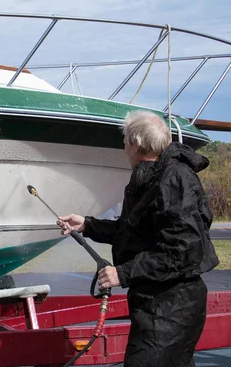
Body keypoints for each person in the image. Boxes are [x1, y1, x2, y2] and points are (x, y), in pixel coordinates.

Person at [58, 110, 219, 367]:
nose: (123, 146)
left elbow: (183, 250)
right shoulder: (153, 177)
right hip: (157, 304)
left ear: (136, 144)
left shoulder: (174, 179)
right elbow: (133, 232)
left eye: (125, 140)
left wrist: (123, 273)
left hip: (172, 306)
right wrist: (87, 225)